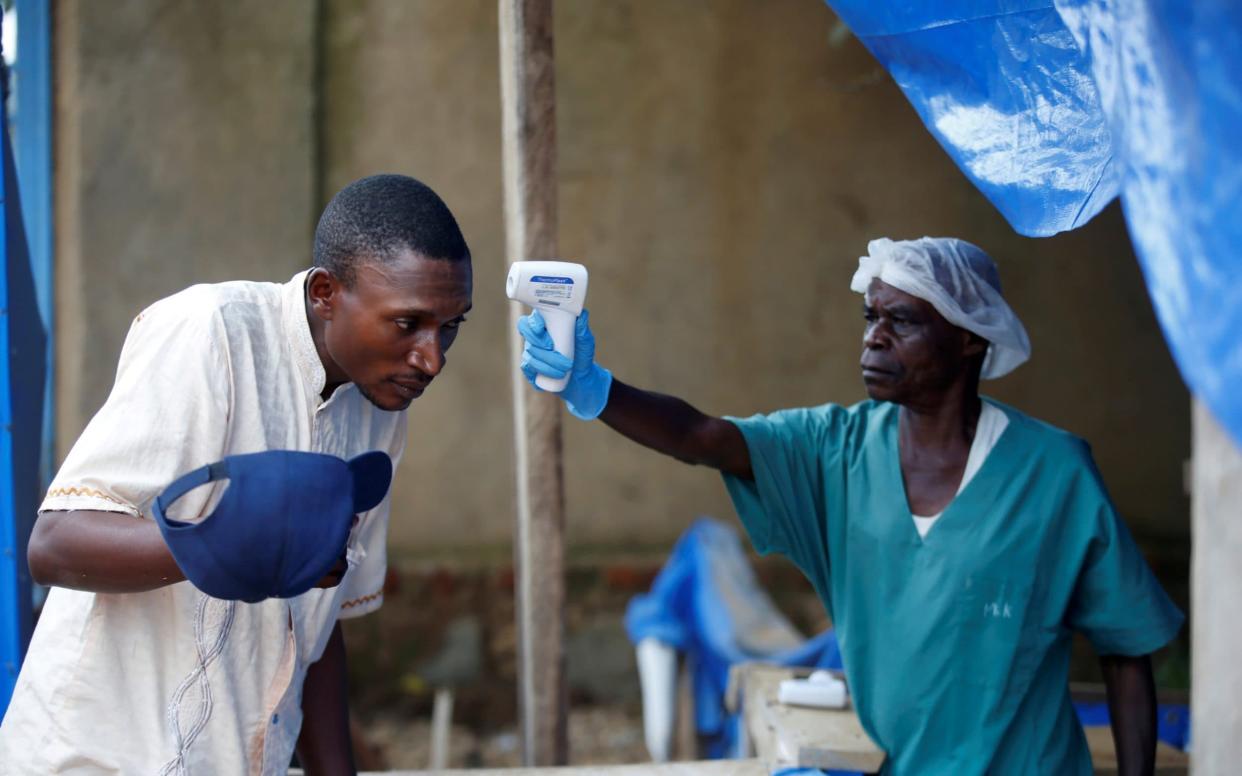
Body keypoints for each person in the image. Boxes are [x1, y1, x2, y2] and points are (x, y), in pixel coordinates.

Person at [516, 237, 1183, 775]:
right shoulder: (834, 453)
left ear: (970, 340)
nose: (873, 339)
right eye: (871, 318)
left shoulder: (1053, 474)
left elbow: (1126, 650)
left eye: (902, 321)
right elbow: (704, 438)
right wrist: (595, 389)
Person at [0, 174, 473, 775]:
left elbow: (319, 632)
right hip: (99, 758)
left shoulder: (382, 405)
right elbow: (51, 546)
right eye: (408, 324)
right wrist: (222, 544)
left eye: (451, 326)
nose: (432, 358)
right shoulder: (210, 333)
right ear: (326, 293)